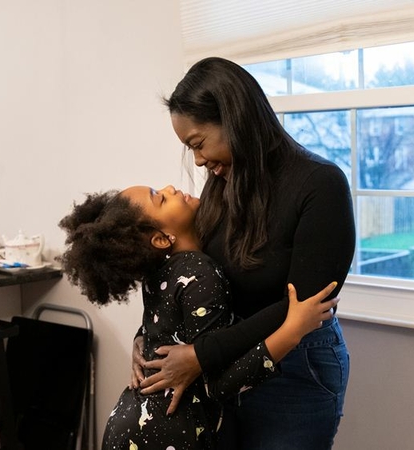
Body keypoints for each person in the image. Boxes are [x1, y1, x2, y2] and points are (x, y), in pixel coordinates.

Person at [136, 57, 356, 449]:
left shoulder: (321, 185)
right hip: (228, 363)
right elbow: (189, 271)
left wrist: (201, 355)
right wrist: (148, 339)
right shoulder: (225, 181)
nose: (200, 161)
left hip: (296, 367)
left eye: (198, 144)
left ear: (234, 117)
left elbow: (303, 305)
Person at [58, 186, 338, 450]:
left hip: (127, 424)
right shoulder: (200, 274)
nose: (170, 188)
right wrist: (291, 331)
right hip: (167, 434)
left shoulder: (158, 275)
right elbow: (218, 385)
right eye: (160, 198)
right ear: (160, 238)